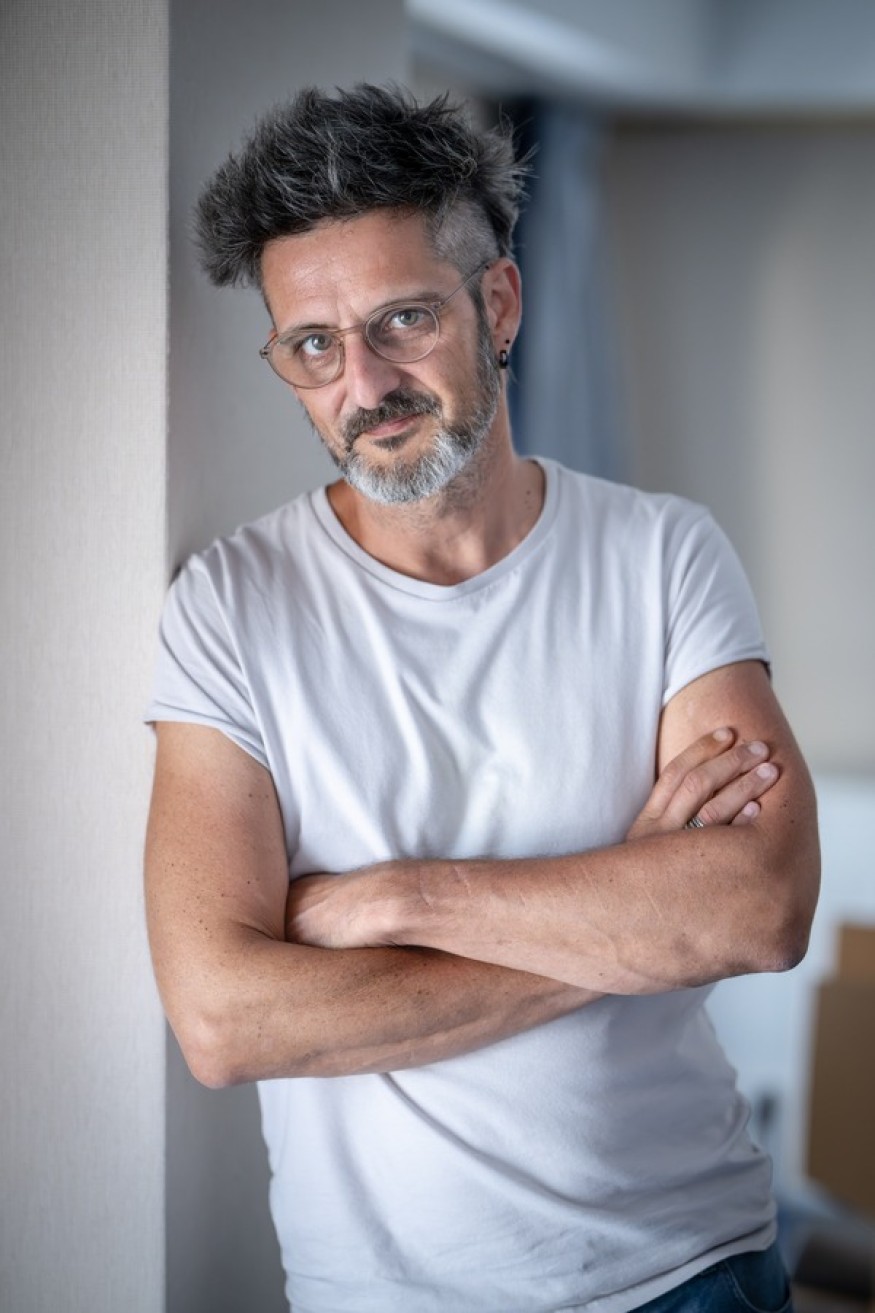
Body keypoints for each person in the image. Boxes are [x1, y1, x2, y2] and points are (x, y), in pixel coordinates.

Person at [144, 84, 819, 1313]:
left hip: (689, 1268)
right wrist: (626, 915)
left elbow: (759, 907)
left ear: (496, 304)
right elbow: (225, 1022)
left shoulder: (660, 554)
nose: (363, 383)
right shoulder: (227, 609)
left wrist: (395, 897)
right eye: (312, 345)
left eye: (401, 320)